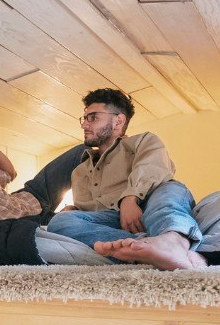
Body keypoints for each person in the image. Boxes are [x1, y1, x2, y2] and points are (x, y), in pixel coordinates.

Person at [48, 88, 206, 271]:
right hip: (112, 220)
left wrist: (130, 198)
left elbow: (155, 168)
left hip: (149, 205)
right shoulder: (79, 171)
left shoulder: (143, 141)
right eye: (84, 119)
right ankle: (148, 247)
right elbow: (89, 213)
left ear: (118, 121)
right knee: (60, 222)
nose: (84, 125)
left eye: (93, 117)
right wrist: (74, 210)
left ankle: (173, 241)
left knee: (170, 189)